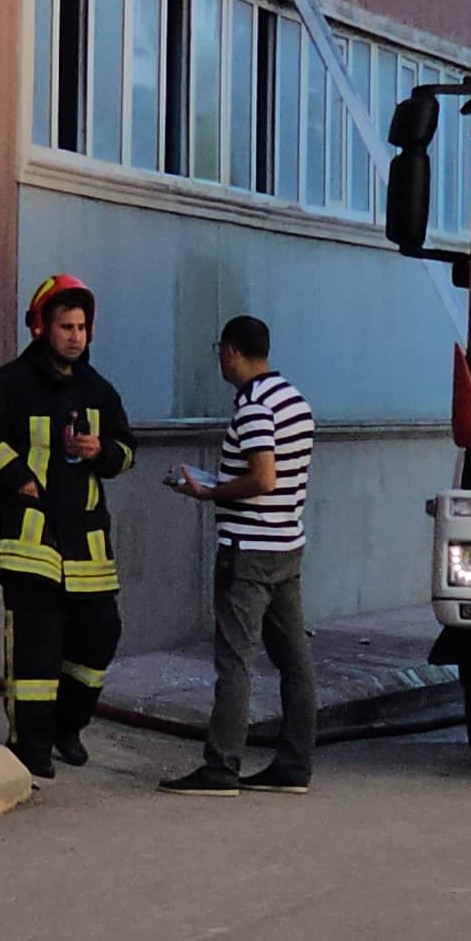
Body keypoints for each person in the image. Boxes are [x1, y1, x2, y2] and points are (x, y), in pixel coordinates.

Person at [0, 274, 135, 779]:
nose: (76, 336)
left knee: (101, 635)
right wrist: (16, 478)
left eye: (81, 327)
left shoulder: (100, 391)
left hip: (88, 545)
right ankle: (28, 743)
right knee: (35, 648)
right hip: (31, 543)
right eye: (65, 326)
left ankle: (67, 726)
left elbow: (127, 452)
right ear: (40, 327)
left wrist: (105, 452)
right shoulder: (9, 385)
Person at [160, 315, 317, 796]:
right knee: (294, 660)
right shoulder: (294, 400)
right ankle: (294, 763)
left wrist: (208, 493)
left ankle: (221, 766)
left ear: (230, 351)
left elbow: (263, 477)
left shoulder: (252, 407)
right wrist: (218, 480)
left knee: (235, 661)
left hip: (247, 550)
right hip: (287, 545)